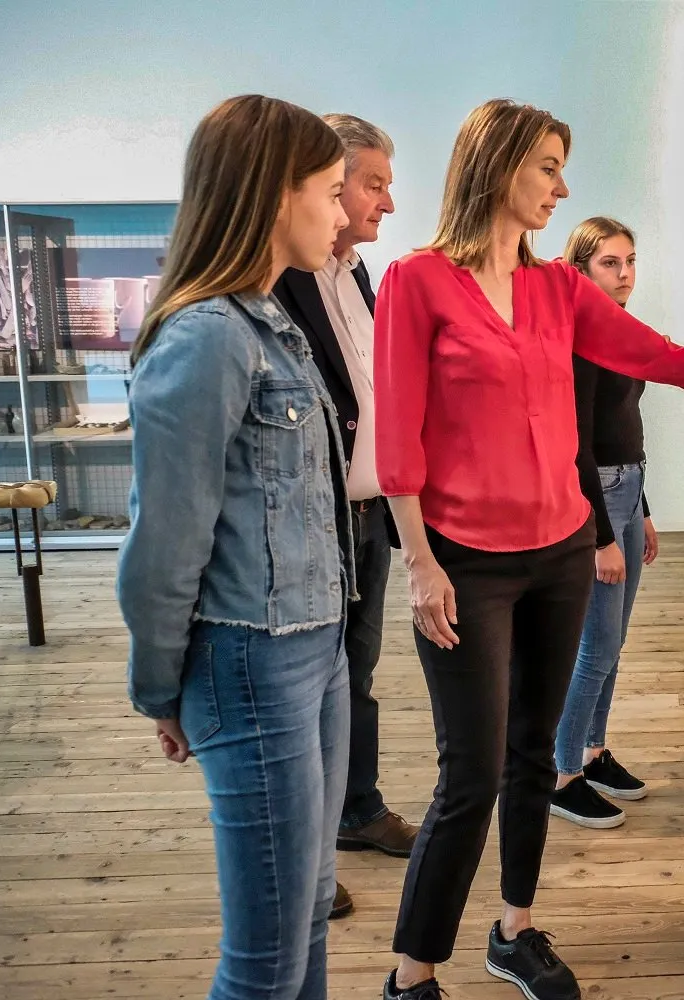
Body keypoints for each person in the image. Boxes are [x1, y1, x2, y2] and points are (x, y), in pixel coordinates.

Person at [373, 98, 684, 1000]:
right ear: (495, 164)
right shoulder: (418, 282)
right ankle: (411, 976)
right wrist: (418, 563)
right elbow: (398, 443)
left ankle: (515, 930)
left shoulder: (557, 291)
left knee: (534, 754)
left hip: (561, 551)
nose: (561, 187)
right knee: (472, 773)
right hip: (466, 565)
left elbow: (667, 356)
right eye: (546, 166)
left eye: (563, 167)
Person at [116, 94, 354, 1000]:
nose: (341, 213)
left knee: (308, 927)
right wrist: (158, 686)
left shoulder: (268, 320)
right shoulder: (209, 337)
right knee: (263, 965)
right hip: (252, 661)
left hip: (314, 649)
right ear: (273, 193)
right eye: (331, 191)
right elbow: (163, 545)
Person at [272, 113, 416, 922]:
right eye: (370, 184)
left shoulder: (359, 275)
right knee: (312, 688)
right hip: (315, 520)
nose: (384, 203)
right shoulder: (277, 283)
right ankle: (306, 859)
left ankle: (355, 812)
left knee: (354, 678)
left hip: (367, 515)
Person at [549, 216, 656, 830]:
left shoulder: (621, 328)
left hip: (627, 488)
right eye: (610, 263)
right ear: (581, 268)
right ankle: (561, 775)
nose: (624, 275)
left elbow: (629, 429)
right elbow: (579, 443)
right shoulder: (580, 336)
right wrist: (602, 536)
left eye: (631, 260)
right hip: (598, 497)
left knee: (612, 643)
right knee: (597, 645)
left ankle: (591, 751)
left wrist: (643, 510)